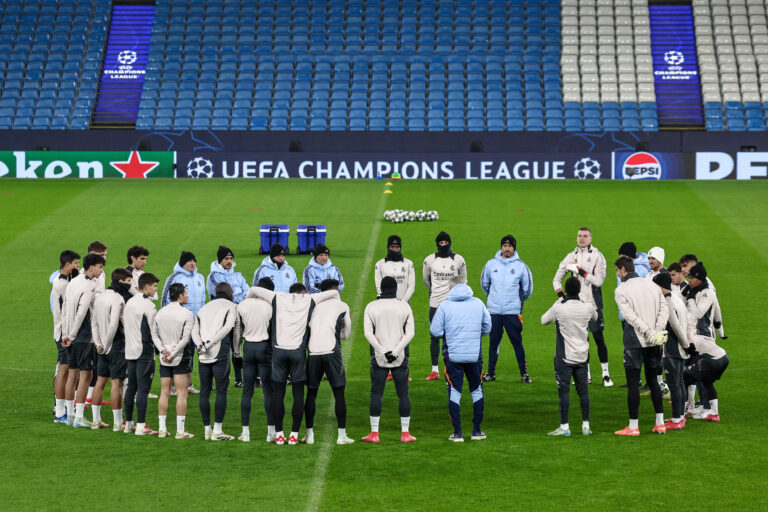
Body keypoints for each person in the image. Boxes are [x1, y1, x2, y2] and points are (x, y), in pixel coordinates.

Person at [245, 282, 340, 445]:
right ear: (303, 292)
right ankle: (294, 434)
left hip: (279, 351)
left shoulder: (277, 297)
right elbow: (333, 293)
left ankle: (280, 434)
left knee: (278, 394)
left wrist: (249, 302)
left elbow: (253, 289)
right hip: (298, 352)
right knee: (298, 395)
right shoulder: (309, 298)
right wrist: (336, 305)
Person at [613, 256, 669, 436]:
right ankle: (660, 424)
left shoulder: (621, 289)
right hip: (653, 341)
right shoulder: (652, 285)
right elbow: (664, 309)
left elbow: (629, 316)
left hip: (635, 341)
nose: (616, 274)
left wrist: (647, 331)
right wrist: (657, 331)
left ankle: (633, 426)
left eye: (617, 271)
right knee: (653, 381)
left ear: (623, 269)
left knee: (633, 385)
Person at [430, 277, 491, 442]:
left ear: (450, 289)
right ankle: (477, 431)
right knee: (477, 390)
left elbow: (435, 331)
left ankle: (457, 433)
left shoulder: (445, 305)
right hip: (474, 355)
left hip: (453, 356)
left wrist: (449, 334)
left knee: (455, 392)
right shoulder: (478, 303)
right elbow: (488, 327)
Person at [552, 227, 612, 386]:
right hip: (576, 307)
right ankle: (586, 375)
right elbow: (556, 279)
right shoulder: (571, 256)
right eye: (579, 236)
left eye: (585, 236)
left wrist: (580, 271)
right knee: (581, 340)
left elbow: (599, 281)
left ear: (591, 239)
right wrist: (561, 294)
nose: (582, 239)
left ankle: (606, 374)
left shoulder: (598, 257)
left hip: (593, 305)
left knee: (598, 338)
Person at [362, 276, 416, 443]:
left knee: (376, 393)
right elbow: (410, 333)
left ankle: (374, 433)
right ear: (395, 289)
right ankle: (405, 433)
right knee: (403, 394)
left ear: (381, 289)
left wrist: (383, 351)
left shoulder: (371, 306)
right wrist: (396, 351)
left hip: (379, 357)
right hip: (400, 356)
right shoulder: (404, 306)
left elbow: (368, 333)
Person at [541, 277, 596, 436]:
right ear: (579, 290)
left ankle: (564, 426)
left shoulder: (560, 308)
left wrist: (558, 301)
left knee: (564, 392)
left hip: (564, 358)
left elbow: (543, 320)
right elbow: (595, 318)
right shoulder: (587, 307)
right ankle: (586, 426)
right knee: (583, 392)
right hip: (582, 356)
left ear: (565, 290)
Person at [304, 279, 354, 445]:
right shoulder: (342, 305)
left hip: (313, 351)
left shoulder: (313, 306)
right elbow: (346, 334)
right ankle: (341, 436)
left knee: (311, 393)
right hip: (332, 351)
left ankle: (309, 435)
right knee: (338, 393)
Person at [480, 234, 533, 383]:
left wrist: (517, 303)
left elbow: (527, 289)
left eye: (510, 246)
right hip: (494, 312)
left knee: (517, 343)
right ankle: (491, 373)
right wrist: (493, 299)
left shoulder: (521, 266)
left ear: (514, 248)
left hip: (512, 312)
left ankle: (524, 373)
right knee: (493, 343)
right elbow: (484, 284)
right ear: (501, 247)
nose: (507, 249)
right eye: (504, 246)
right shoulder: (491, 264)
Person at [192, 282, 241, 441]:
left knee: (205, 390)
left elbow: (194, 330)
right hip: (219, 351)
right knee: (221, 390)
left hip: (202, 354)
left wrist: (200, 345)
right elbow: (229, 328)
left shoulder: (204, 307)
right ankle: (218, 431)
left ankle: (207, 430)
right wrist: (235, 352)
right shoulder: (231, 306)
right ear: (230, 292)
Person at [61, 252, 104, 427]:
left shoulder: (73, 282)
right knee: (86, 375)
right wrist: (72, 335)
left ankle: (70, 415)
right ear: (92, 267)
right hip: (84, 336)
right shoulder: (88, 286)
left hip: (70, 334)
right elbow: (82, 312)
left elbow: (65, 308)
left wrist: (66, 333)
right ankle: (79, 417)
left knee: (72, 374)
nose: (101, 272)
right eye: (100, 268)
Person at [683, 262, 729, 422]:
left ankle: (702, 408)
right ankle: (706, 409)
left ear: (699, 278)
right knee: (702, 378)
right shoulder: (691, 290)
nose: (689, 280)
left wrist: (689, 300)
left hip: (703, 337)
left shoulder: (707, 293)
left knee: (693, 375)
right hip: (693, 336)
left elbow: (699, 313)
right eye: (688, 277)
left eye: (692, 277)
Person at [91, 268, 133, 431]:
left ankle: (96, 421)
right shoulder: (118, 299)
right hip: (116, 346)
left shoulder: (100, 297)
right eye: (128, 282)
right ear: (121, 281)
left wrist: (98, 344)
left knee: (100, 382)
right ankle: (117, 423)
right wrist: (107, 345)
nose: (130, 286)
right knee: (117, 383)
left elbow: (94, 322)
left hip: (101, 345)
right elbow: (114, 325)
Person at [152, 283, 196, 439]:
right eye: (186, 293)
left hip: (164, 358)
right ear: (180, 295)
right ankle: (180, 431)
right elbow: (185, 339)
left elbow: (154, 335)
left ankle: (162, 430)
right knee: (182, 393)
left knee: (164, 392)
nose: (188, 296)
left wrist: (163, 350)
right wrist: (173, 353)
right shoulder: (187, 314)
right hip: (180, 356)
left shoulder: (160, 312)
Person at [423, 231, 467, 381]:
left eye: (445, 242)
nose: (443, 245)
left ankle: (452, 367)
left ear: (450, 243)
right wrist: (435, 292)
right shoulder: (429, 260)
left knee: (453, 336)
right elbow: (426, 280)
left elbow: (463, 281)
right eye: (440, 243)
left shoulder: (458, 260)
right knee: (434, 336)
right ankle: (434, 370)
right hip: (435, 303)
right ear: (437, 244)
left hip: (453, 304)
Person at [161, 251, 206, 395]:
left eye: (194, 261)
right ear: (182, 263)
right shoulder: (174, 278)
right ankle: (174, 386)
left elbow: (203, 300)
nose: (193, 264)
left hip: (195, 323)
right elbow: (164, 300)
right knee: (178, 352)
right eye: (189, 261)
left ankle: (188, 384)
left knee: (190, 353)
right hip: (179, 323)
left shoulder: (200, 277)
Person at [237, 277, 276, 443]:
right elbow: (273, 329)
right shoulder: (270, 306)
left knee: (247, 391)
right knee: (268, 390)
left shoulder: (243, 304)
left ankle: (245, 433)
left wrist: (237, 350)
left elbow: (239, 329)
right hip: (264, 347)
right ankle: (271, 432)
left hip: (248, 347)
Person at [206, 245, 249, 387]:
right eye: (226, 259)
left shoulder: (238, 275)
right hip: (221, 316)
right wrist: (240, 299)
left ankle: (238, 379)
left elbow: (248, 292)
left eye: (231, 258)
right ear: (220, 260)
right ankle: (214, 380)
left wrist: (240, 299)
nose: (229, 261)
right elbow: (225, 294)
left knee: (236, 347)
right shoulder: (214, 276)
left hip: (237, 315)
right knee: (219, 348)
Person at [651, 272, 690, 430]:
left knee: (674, 384)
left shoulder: (667, 302)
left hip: (673, 348)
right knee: (679, 382)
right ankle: (680, 416)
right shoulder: (677, 299)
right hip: (680, 347)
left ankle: (676, 419)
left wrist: (685, 344)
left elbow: (675, 326)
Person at [123, 273, 160, 436]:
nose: (155, 289)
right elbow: (153, 331)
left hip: (130, 350)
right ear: (146, 287)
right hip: (144, 351)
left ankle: (129, 424)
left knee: (131, 387)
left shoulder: (129, 302)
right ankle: (141, 426)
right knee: (143, 389)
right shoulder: (149, 306)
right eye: (154, 286)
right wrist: (160, 349)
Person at [52, 250, 80, 424]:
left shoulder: (67, 280)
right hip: (64, 334)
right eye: (76, 263)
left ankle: (64, 409)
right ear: (68, 264)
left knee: (69, 370)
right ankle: (60, 411)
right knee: (63, 372)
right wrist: (65, 335)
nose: (78, 266)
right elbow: (62, 313)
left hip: (66, 332)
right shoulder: (60, 284)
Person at [679, 254, 726, 340]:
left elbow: (716, 307)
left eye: (685, 266)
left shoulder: (706, 285)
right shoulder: (690, 283)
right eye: (681, 267)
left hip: (703, 333)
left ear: (694, 265)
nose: (682, 269)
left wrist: (719, 328)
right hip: (691, 332)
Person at [374, 235, 415, 302]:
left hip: (404, 303)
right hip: (386, 302)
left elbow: (411, 286)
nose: (395, 249)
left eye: (397, 247)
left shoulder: (409, 263)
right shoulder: (380, 264)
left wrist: (404, 301)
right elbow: (378, 286)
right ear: (388, 247)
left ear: (400, 248)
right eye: (392, 247)